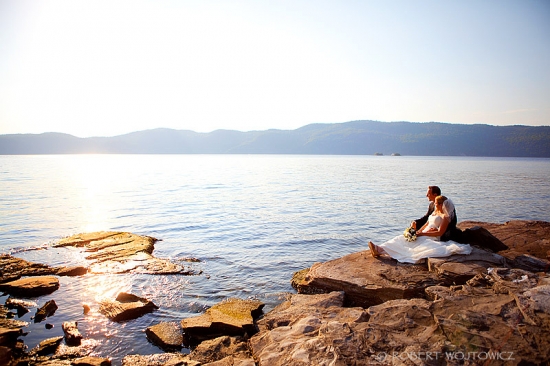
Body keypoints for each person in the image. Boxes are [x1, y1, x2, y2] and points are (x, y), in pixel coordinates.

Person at [368, 196, 471, 263]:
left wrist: (422, 235)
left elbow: (440, 232)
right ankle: (380, 249)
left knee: (410, 246)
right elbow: (427, 224)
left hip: (433, 237)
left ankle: (380, 250)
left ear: (441, 205)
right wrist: (418, 232)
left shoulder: (445, 217)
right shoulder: (435, 213)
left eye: (435, 203)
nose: (434, 204)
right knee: (402, 238)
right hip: (424, 233)